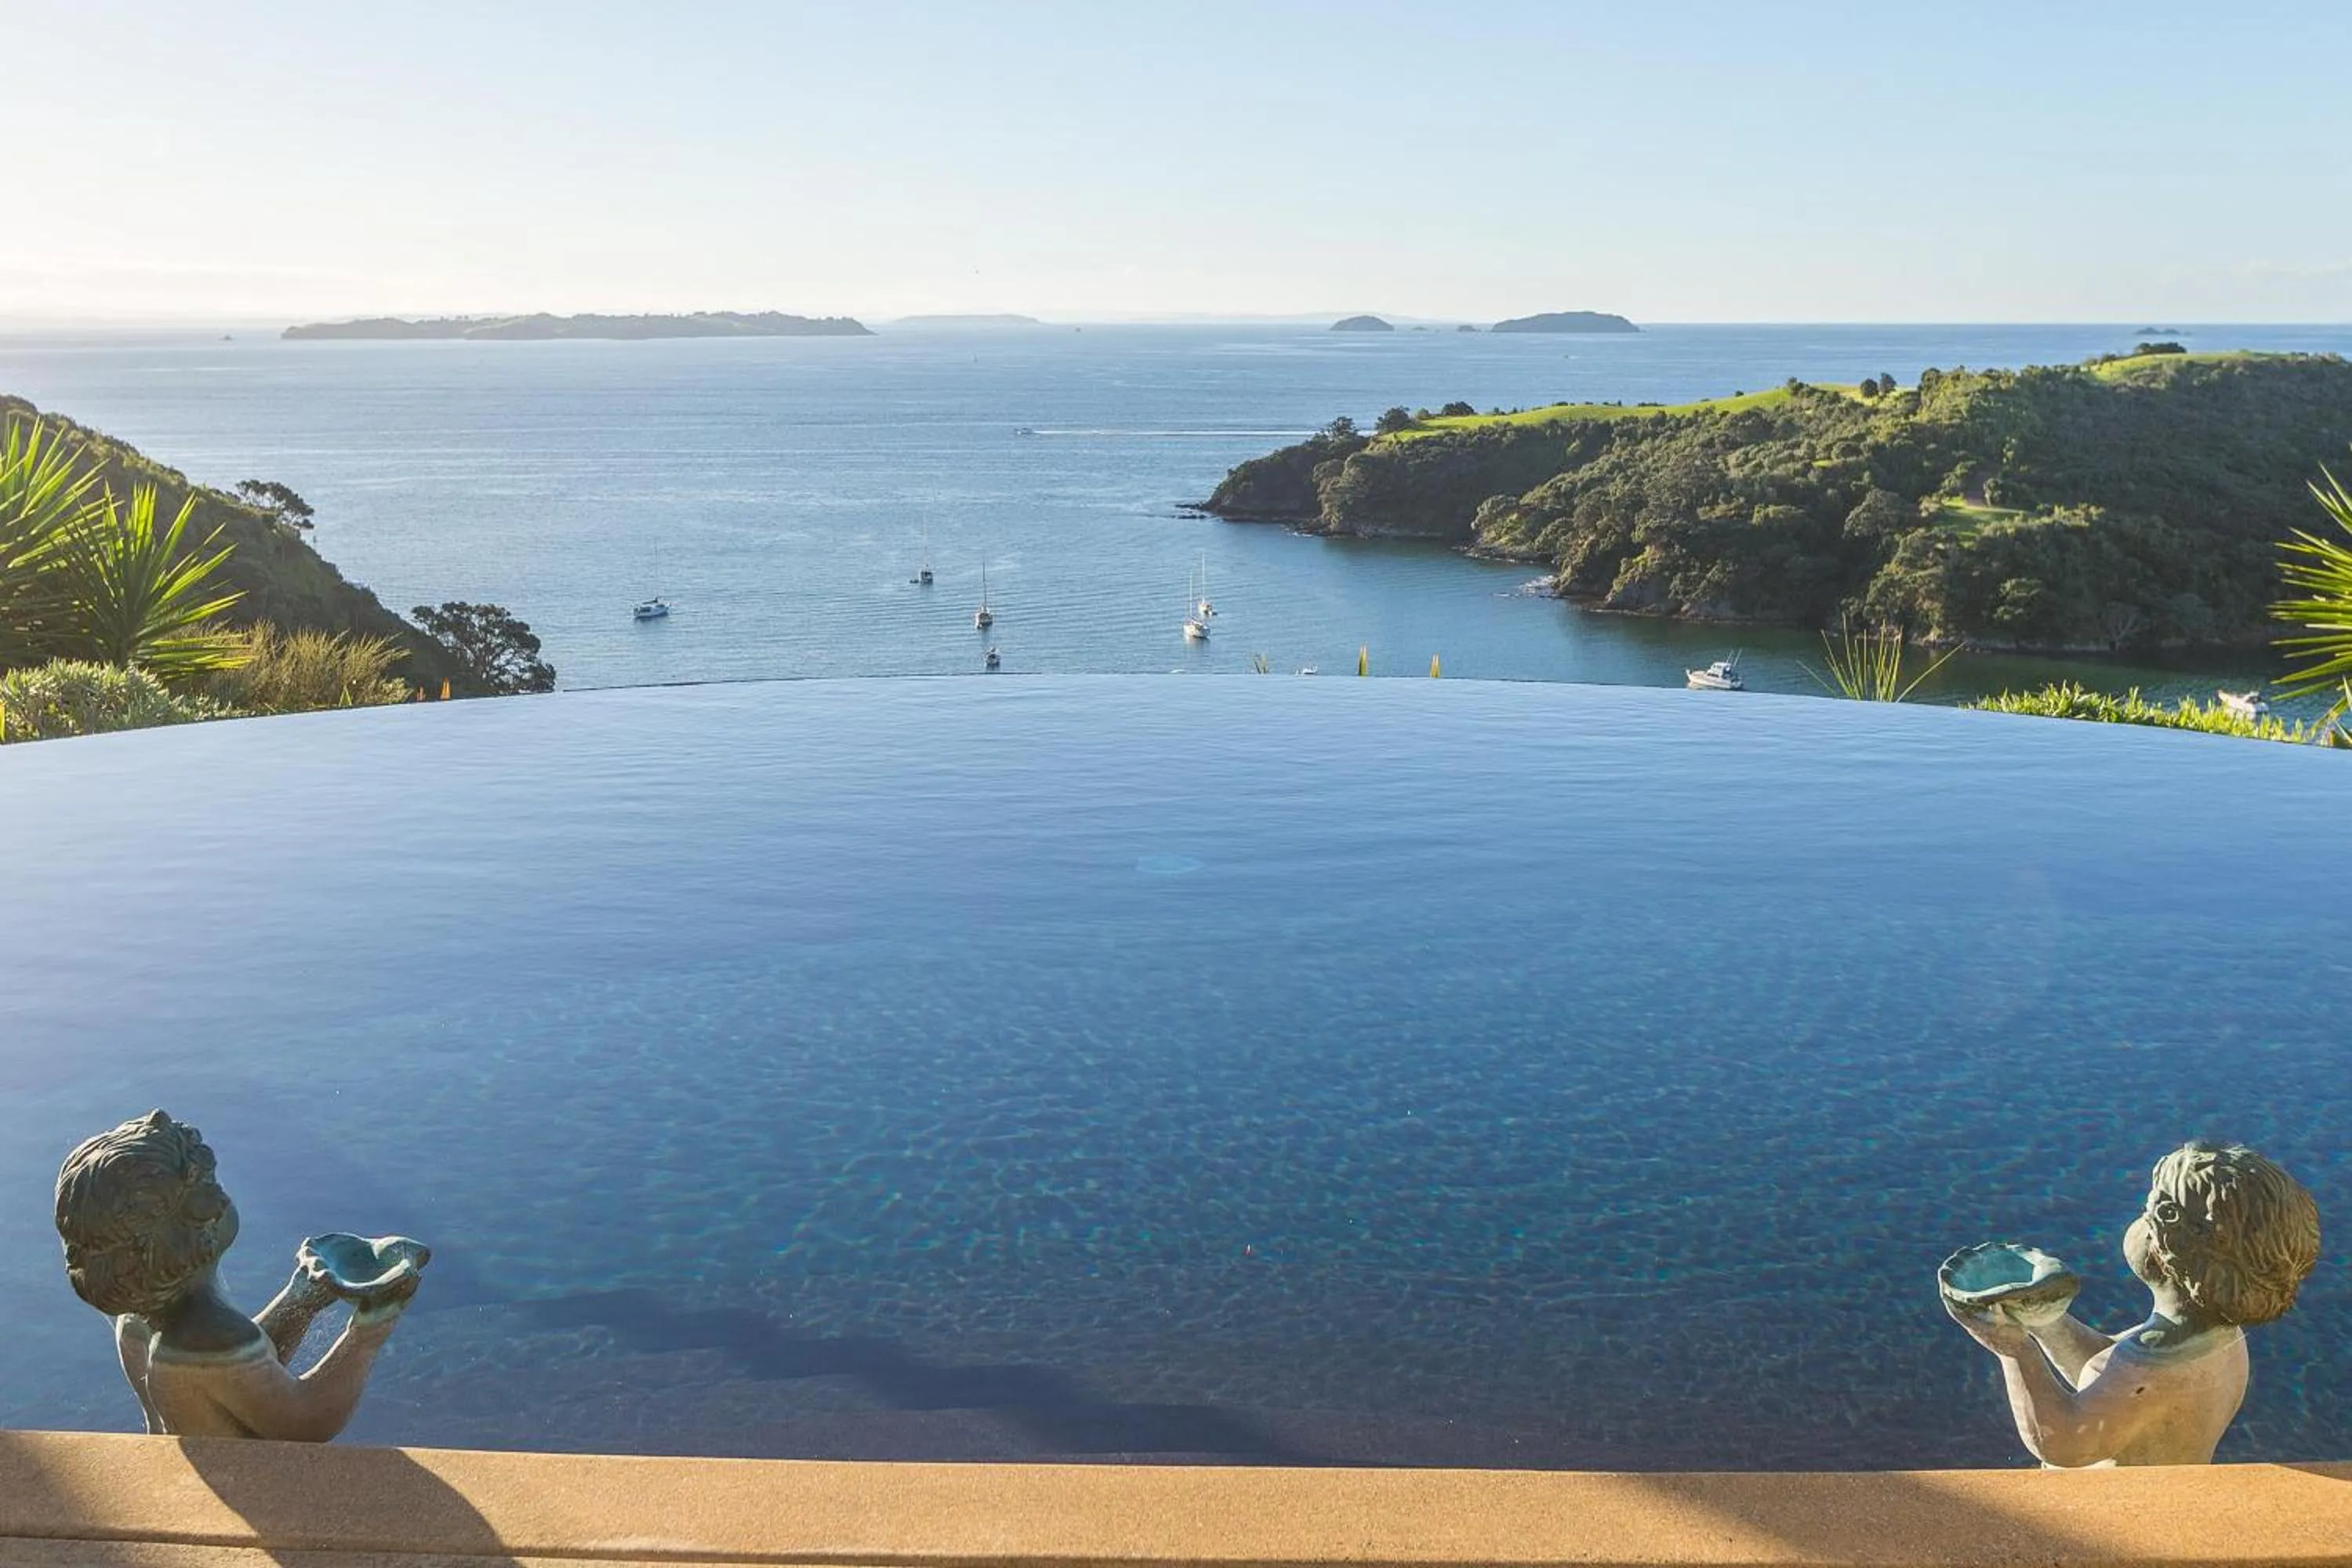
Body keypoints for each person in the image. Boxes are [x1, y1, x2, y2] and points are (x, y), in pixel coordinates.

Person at [1946, 1141, 2320, 1467]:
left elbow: (2063, 1444)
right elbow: (2107, 1373)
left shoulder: (2150, 1372)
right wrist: (2048, 1324)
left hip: (2119, 1513)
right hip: (2179, 1490)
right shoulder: (2221, 1337)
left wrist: (2014, 1350)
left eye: (2147, 1212)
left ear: (2166, 1232)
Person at [54, 1110, 419, 1441]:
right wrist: (368, 1333)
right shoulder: (210, 1334)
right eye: (208, 1187)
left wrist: (301, 1300)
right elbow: (306, 1420)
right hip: (247, 1492)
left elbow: (251, 1373)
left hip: (189, 1474)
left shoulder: (145, 1319)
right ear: (198, 1228)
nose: (221, 1195)